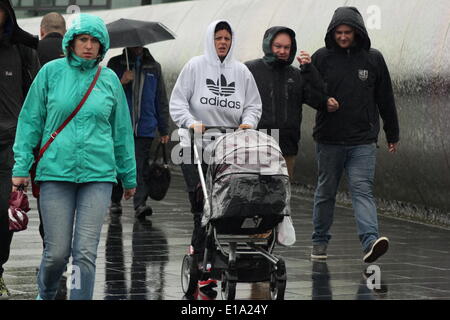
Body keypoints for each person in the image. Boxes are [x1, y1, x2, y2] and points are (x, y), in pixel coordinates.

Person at [11, 13, 137, 300]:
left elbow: (121, 132)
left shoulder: (109, 80)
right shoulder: (50, 73)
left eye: (95, 40)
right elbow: (29, 121)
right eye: (83, 39)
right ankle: (46, 293)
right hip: (55, 173)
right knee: (56, 253)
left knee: (84, 253)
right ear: (71, 42)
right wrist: (21, 166)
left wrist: (128, 176)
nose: (89, 46)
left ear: (102, 45)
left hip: (98, 176)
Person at [170, 20, 262, 294]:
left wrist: (248, 123)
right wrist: (189, 122)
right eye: (218, 38)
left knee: (223, 208)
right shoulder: (194, 67)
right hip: (194, 147)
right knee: (202, 207)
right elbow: (177, 103)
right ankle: (200, 259)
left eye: (227, 38)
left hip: (228, 147)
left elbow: (253, 105)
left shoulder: (241, 72)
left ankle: (217, 261)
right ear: (210, 39)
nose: (222, 42)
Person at [310, 7, 399, 263]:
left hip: (363, 141)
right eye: (338, 32)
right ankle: (319, 242)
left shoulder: (373, 59)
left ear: (358, 32)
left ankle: (371, 241)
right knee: (326, 191)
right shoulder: (321, 58)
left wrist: (392, 133)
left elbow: (385, 98)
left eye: (348, 32)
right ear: (332, 32)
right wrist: (323, 101)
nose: (343, 37)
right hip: (329, 140)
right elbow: (309, 93)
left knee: (362, 190)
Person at [245, 26, 327, 179]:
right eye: (278, 46)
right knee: (254, 194)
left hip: (287, 146)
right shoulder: (250, 70)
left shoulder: (297, 75)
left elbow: (319, 100)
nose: (282, 51)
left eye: (287, 47)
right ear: (268, 45)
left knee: (281, 195)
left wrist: (310, 70)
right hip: (256, 144)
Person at [0, 0, 39, 298]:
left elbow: (35, 98)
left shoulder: (23, 48)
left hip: (10, 145)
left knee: (5, 211)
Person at [107, 46, 169, 220]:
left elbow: (160, 97)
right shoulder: (115, 64)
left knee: (140, 166)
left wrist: (164, 128)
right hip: (120, 126)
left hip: (145, 126)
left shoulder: (153, 67)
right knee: (119, 162)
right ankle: (115, 200)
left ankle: (140, 203)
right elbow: (104, 93)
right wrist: (122, 81)